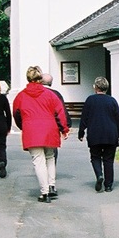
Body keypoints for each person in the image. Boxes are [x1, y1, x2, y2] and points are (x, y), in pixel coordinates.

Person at [12, 65, 69, 203]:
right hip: (50, 129)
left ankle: (44, 193)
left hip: (32, 130)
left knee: (38, 161)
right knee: (50, 157)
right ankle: (51, 185)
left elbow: (16, 114)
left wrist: (23, 126)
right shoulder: (50, 94)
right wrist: (64, 129)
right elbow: (60, 112)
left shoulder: (21, 96)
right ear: (40, 78)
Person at [78, 76, 119, 192]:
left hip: (95, 134)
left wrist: (81, 132)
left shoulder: (90, 100)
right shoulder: (112, 100)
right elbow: (118, 118)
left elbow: (84, 118)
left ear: (95, 87)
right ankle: (108, 185)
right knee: (109, 160)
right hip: (110, 134)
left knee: (95, 157)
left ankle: (99, 175)